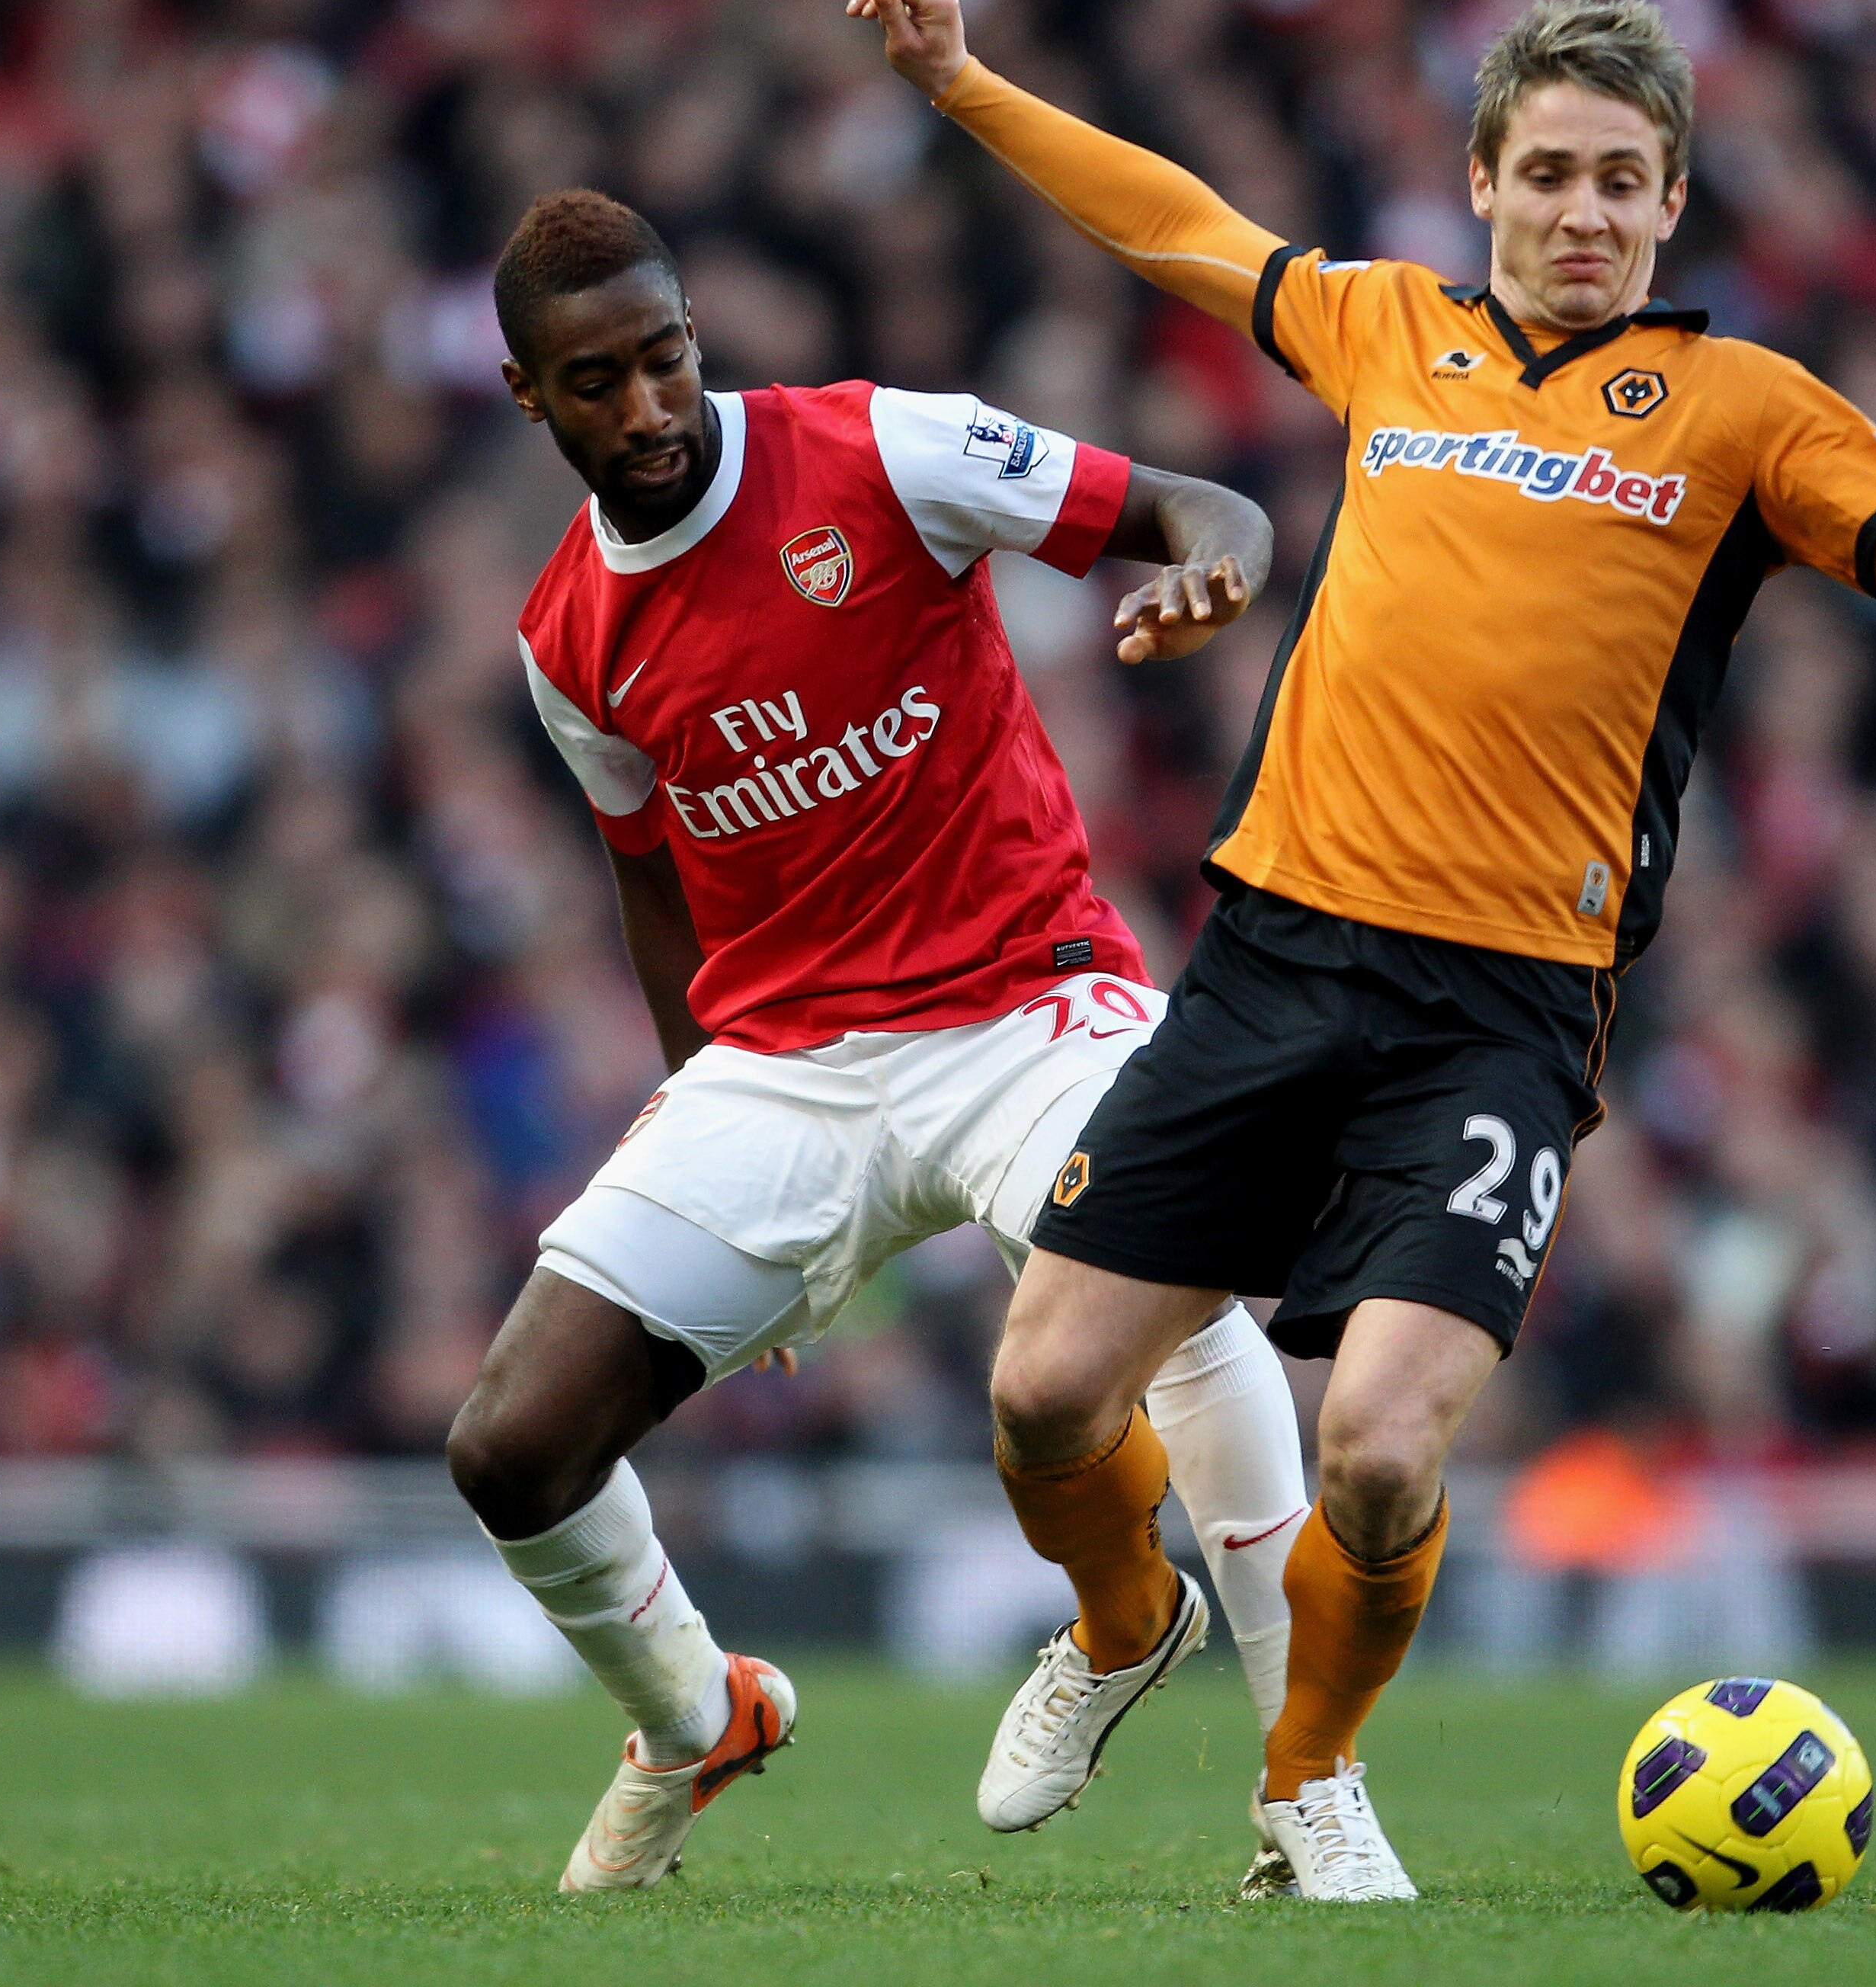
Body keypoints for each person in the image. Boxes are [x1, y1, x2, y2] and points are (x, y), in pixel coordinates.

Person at [847, 0, 1876, 1901]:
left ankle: (1308, 1779)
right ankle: (1121, 1627)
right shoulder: (1386, 331)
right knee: (1037, 1395)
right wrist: (965, 87)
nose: (1584, 211)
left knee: (1370, 1450)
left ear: (1673, 200)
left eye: (1623, 178)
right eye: (1548, 173)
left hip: (1501, 1014)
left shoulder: (1733, 409)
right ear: (1482, 180)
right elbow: (1176, 223)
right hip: (1274, 957)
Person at [444, 189, 1314, 1891]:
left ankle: (1305, 1790)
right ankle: (702, 1719)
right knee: (509, 1442)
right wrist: (691, 1124)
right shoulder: (567, 639)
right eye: (596, 382)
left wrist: (1219, 567)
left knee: (1183, 1290)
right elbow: (654, 898)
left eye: (665, 359)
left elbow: (1200, 501)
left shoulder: (887, 450)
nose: (645, 409)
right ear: (524, 395)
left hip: (1024, 994)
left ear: (698, 336)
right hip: (783, 1070)